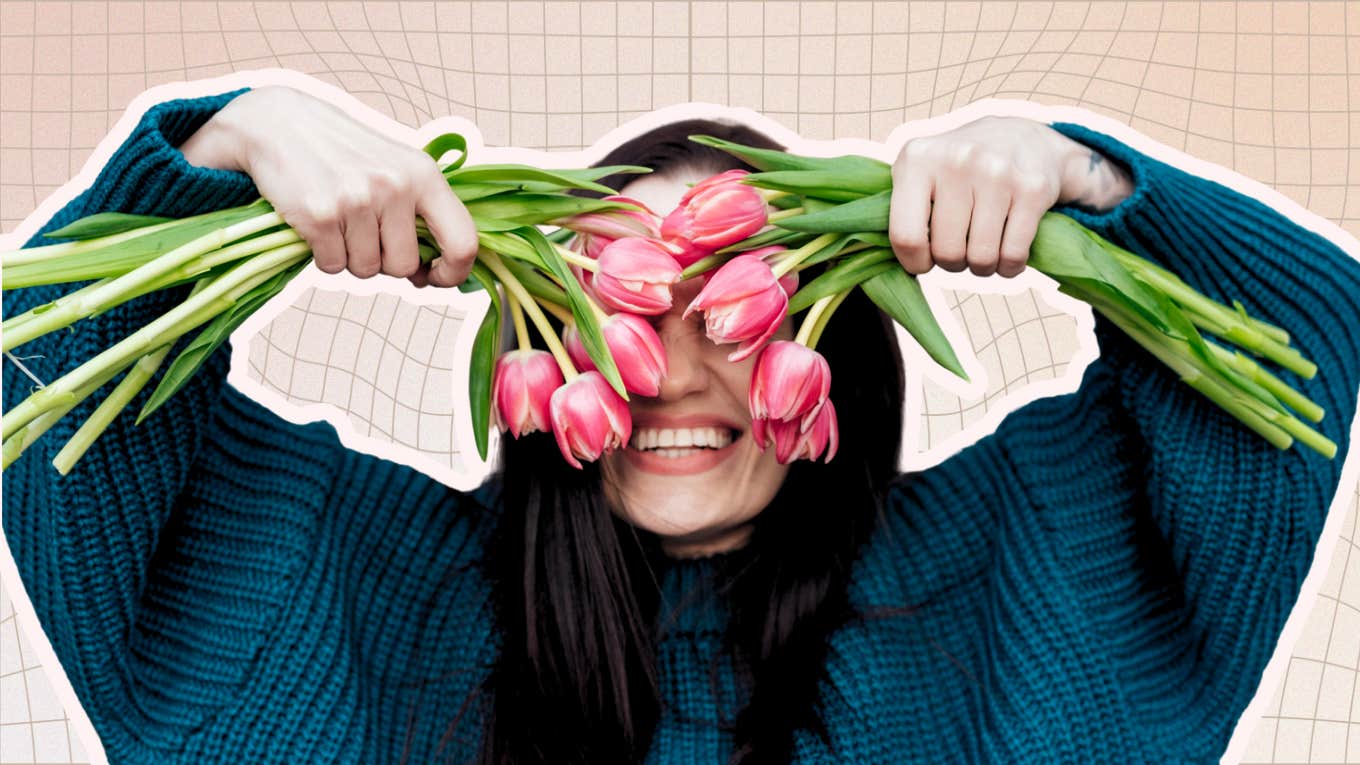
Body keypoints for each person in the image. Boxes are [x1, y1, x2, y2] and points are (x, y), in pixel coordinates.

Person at [3, 83, 1358, 765]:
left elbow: (1294, 362)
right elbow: (48, 408)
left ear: (833, 339)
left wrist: (1082, 180)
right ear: (536, 334)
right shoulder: (356, 589)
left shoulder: (1028, 576)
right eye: (618, 307)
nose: (665, 372)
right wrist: (235, 148)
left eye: (737, 306)